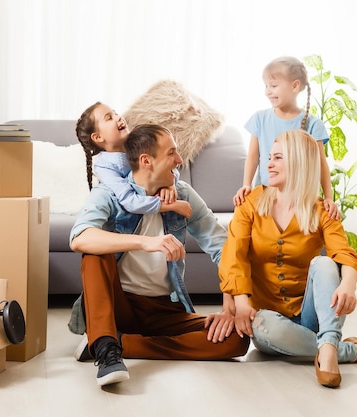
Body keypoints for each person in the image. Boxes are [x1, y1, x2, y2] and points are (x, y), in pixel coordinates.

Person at [69, 121, 250, 387]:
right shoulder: (109, 194)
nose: (179, 160)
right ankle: (106, 348)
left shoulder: (183, 195)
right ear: (146, 161)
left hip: (166, 309)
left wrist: (230, 303)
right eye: (171, 153)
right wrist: (145, 242)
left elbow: (223, 247)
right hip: (120, 305)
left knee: (236, 338)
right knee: (94, 253)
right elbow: (79, 237)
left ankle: (119, 343)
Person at [219, 130, 357, 389]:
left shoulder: (321, 210)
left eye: (278, 158)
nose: (268, 164)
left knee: (325, 263)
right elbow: (234, 254)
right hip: (268, 318)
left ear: (299, 161)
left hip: (312, 316)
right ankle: (348, 350)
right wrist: (240, 302)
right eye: (269, 157)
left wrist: (348, 284)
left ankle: (327, 347)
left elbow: (344, 253)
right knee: (261, 327)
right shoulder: (250, 203)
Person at [233, 56, 341, 220]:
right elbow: (253, 157)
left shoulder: (313, 124)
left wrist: (328, 197)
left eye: (274, 86)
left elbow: (321, 164)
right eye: (266, 86)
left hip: (299, 201)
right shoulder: (260, 119)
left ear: (295, 86)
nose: (268, 91)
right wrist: (246, 184)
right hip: (264, 198)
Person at [76, 101, 191, 218]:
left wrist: (169, 186)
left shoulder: (138, 145)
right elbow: (129, 200)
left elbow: (169, 167)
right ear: (98, 137)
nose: (118, 117)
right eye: (109, 118)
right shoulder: (104, 166)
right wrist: (171, 205)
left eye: (115, 113)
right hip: (126, 222)